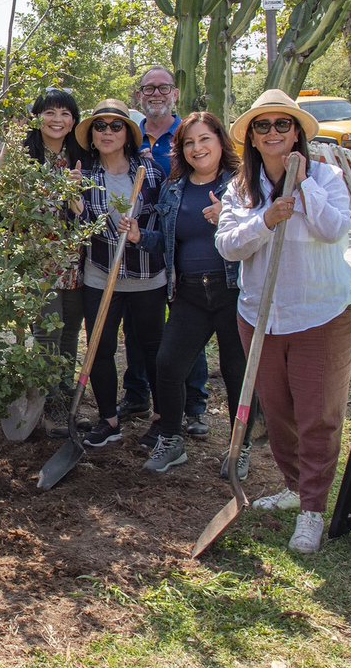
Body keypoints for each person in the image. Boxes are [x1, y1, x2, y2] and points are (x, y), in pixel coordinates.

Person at [216, 89, 351, 554]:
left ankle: (313, 510)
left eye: (282, 124)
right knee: (279, 413)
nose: (273, 132)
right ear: (252, 138)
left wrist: (302, 186)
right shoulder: (239, 190)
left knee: (318, 415)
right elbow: (229, 246)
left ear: (296, 132)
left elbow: (335, 228)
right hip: (260, 316)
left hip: (321, 313)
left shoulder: (328, 176)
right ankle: (295, 486)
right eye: (263, 126)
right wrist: (267, 219)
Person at [139, 112, 253, 475]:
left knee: (236, 370)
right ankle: (172, 440)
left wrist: (229, 219)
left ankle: (240, 447)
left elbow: (261, 234)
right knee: (168, 364)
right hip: (188, 292)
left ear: (221, 141)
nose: (197, 148)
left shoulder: (243, 185)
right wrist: (141, 238)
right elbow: (169, 240)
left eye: (205, 139)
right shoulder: (175, 189)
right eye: (189, 142)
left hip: (233, 290)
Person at [122, 66, 211, 436]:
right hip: (139, 240)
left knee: (186, 323)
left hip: (180, 241)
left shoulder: (186, 134)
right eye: (148, 89)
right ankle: (138, 393)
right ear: (139, 96)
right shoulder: (131, 134)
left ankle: (195, 405)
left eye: (163, 88)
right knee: (139, 325)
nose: (155, 94)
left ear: (175, 93)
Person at [72, 99, 166, 448]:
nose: (107, 132)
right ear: (92, 135)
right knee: (100, 347)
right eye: (100, 126)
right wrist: (74, 206)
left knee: (152, 348)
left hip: (146, 279)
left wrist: (143, 235)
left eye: (115, 126)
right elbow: (76, 231)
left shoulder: (151, 173)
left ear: (127, 133)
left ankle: (161, 420)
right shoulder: (85, 178)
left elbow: (165, 228)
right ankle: (109, 420)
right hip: (100, 276)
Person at [22, 88, 87, 420]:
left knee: (71, 328)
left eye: (65, 113)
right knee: (48, 329)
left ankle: (63, 389)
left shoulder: (82, 157)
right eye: (50, 112)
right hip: (37, 260)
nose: (57, 120)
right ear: (37, 117)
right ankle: (47, 397)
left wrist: (75, 190)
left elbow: (83, 210)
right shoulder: (24, 158)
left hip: (75, 258)